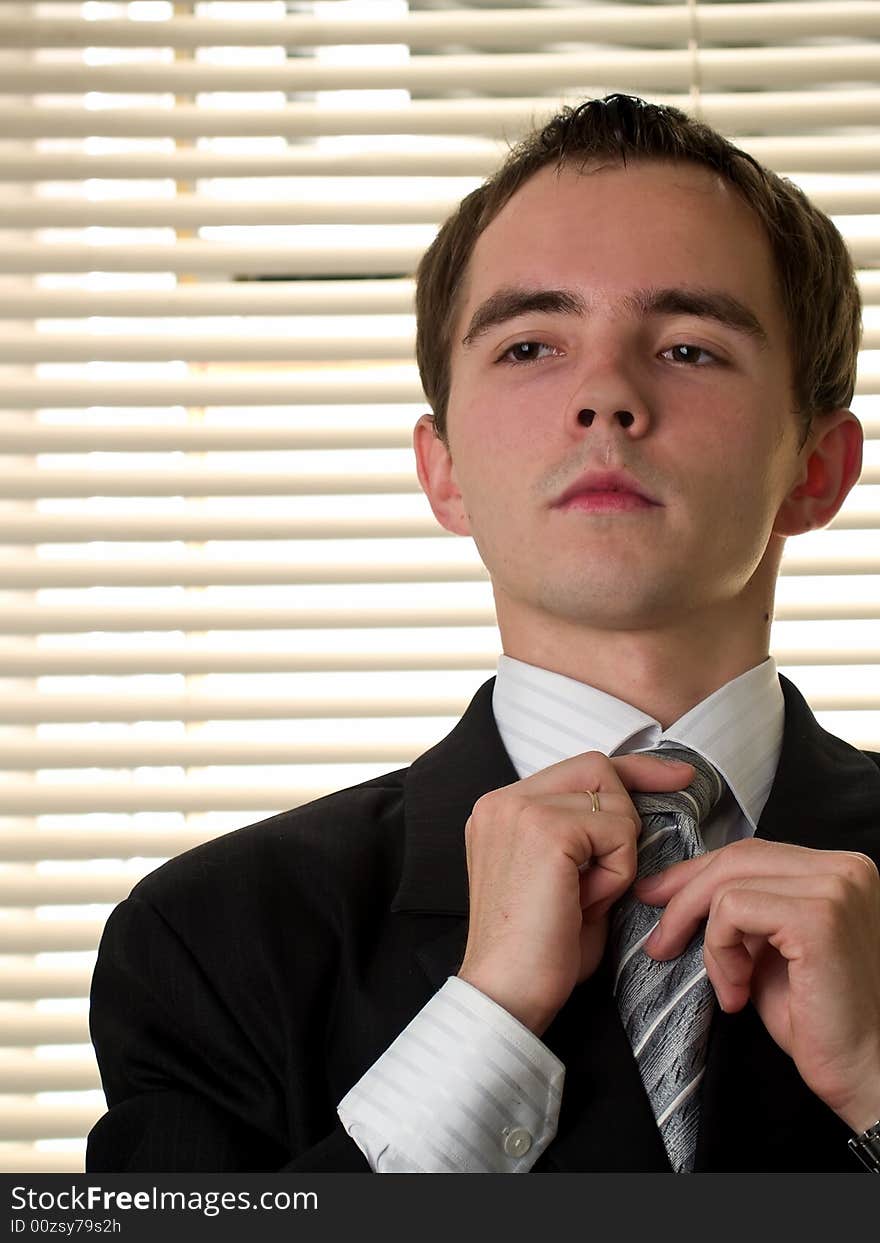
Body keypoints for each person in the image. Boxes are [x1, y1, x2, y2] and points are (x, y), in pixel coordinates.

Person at [86, 93, 880, 1174]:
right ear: (442, 471)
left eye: (689, 347)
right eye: (529, 346)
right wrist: (483, 1020)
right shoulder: (211, 937)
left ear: (817, 468)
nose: (604, 395)